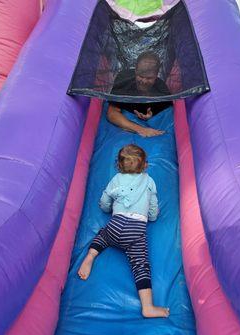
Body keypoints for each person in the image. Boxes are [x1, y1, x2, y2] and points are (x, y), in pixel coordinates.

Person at [77, 144, 170, 318]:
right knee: (141, 265)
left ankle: (90, 257)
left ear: (119, 166)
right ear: (145, 165)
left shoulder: (116, 179)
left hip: (115, 226)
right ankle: (148, 307)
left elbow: (105, 202)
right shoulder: (149, 181)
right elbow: (153, 211)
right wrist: (152, 216)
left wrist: (106, 208)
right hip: (134, 232)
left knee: (103, 235)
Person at [107, 51, 172, 138]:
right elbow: (112, 113)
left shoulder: (161, 89)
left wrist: (151, 115)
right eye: (141, 76)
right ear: (135, 71)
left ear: (156, 75)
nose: (144, 81)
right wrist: (141, 130)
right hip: (127, 121)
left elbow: (165, 113)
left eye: (149, 78)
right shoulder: (123, 80)